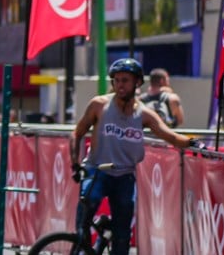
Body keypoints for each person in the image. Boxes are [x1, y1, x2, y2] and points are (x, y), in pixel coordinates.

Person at [71, 58, 200, 255]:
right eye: (116, 80)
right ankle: (83, 247)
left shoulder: (144, 114)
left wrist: (193, 143)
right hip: (97, 170)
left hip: (124, 176)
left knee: (122, 235)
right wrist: (74, 163)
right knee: (86, 210)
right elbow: (76, 133)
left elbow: (171, 136)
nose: (120, 85)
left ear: (137, 82)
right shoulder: (99, 105)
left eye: (125, 80)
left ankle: (111, 237)